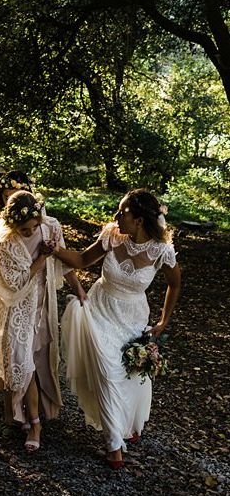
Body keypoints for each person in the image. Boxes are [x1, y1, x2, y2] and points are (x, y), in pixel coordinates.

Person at [53, 189, 181, 468]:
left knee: (131, 375)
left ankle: (128, 426)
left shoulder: (162, 251)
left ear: (138, 219)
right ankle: (114, 446)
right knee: (108, 372)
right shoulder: (112, 236)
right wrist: (55, 250)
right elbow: (83, 261)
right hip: (99, 309)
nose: (116, 216)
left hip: (133, 317)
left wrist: (163, 320)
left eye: (122, 212)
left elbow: (175, 284)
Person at [0, 190, 87, 452]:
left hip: (42, 305)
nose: (31, 232)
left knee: (35, 361)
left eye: (34, 226)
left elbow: (65, 263)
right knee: (21, 363)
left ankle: (34, 421)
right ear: (12, 225)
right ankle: (27, 418)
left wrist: (79, 289)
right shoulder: (2, 241)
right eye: (25, 229)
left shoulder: (50, 227)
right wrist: (42, 257)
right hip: (16, 308)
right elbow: (14, 284)